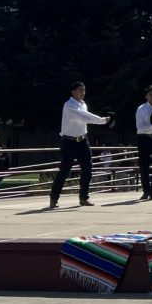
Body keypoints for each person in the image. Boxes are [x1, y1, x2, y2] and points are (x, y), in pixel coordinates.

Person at [49, 81, 112, 209]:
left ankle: (84, 198)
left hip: (83, 141)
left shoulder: (83, 104)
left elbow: (85, 117)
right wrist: (102, 120)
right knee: (65, 170)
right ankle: (54, 197)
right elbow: (83, 117)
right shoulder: (69, 105)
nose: (82, 92)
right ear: (73, 91)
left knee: (87, 169)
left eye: (83, 90)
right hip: (69, 141)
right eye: (79, 90)